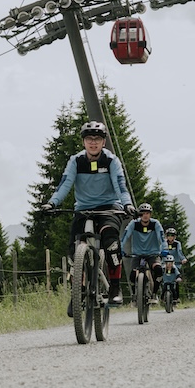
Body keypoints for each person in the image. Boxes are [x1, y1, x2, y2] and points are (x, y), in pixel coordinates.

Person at [40, 120, 134, 306]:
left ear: (103, 142)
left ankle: (115, 288)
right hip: (83, 209)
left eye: (97, 139)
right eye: (89, 139)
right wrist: (52, 203)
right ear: (83, 142)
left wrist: (127, 204)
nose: (93, 142)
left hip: (108, 208)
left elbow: (120, 186)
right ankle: (79, 292)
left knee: (111, 243)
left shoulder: (111, 161)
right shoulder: (76, 161)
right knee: (75, 249)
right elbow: (64, 184)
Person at [121, 203, 165, 305]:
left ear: (150, 214)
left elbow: (161, 238)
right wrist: (121, 248)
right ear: (140, 215)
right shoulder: (134, 224)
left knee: (158, 270)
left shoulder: (155, 224)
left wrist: (164, 249)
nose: (145, 215)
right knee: (132, 275)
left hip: (153, 254)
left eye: (148, 213)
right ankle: (134, 297)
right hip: (137, 254)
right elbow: (125, 236)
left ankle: (154, 294)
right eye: (143, 213)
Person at [164, 227, 188, 304]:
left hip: (176, 263)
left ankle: (176, 297)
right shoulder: (164, 243)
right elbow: (161, 251)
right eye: (169, 235)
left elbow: (179, 252)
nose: (170, 237)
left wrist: (183, 259)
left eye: (172, 235)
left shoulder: (177, 244)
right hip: (165, 263)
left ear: (174, 236)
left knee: (176, 280)